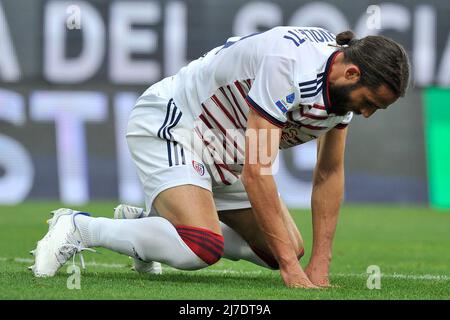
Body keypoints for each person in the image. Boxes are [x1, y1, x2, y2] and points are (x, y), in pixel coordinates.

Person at [30, 26, 410, 288]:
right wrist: (294, 275)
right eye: (370, 103)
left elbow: (329, 174)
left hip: (227, 150)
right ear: (352, 72)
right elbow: (258, 171)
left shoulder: (342, 96)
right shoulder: (289, 66)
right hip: (177, 123)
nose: (366, 114)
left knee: (283, 250)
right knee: (202, 247)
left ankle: (150, 223)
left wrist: (318, 265)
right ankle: (79, 227)